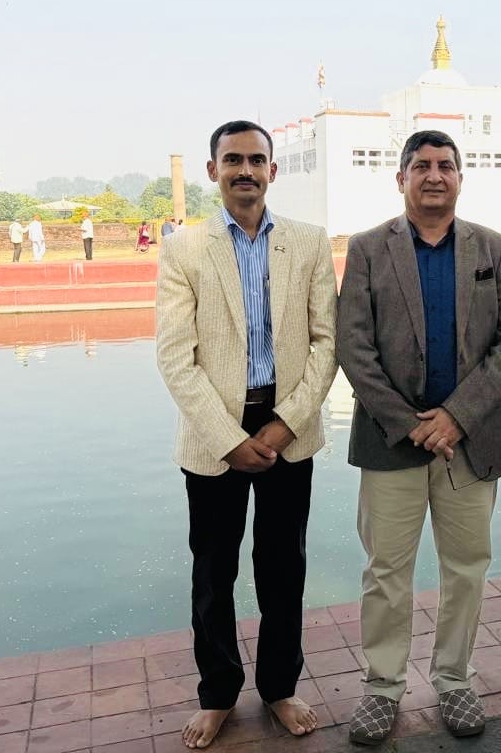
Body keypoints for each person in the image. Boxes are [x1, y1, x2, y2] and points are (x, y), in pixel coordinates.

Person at [337, 131, 501, 746]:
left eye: (446, 165)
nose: (434, 175)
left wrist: (455, 416)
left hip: (470, 440)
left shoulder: (494, 249)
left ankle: (454, 680)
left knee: (466, 567)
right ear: (401, 179)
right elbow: (354, 347)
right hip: (391, 439)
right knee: (387, 569)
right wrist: (410, 421)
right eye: (421, 166)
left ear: (461, 178)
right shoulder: (369, 249)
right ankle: (382, 688)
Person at [155, 120, 338, 749]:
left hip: (289, 424)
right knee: (214, 572)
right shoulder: (184, 248)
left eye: (256, 160)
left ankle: (280, 687)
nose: (244, 171)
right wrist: (228, 438)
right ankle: (218, 693)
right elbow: (177, 356)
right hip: (214, 435)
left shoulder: (308, 245)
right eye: (232, 160)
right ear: (213, 170)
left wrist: (285, 424)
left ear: (272, 171)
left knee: (283, 567)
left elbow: (326, 344)